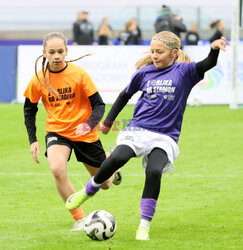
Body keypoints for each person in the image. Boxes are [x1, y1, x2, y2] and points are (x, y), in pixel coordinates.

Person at [65, 31, 226, 240]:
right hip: (138, 129)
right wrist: (107, 121)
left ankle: (144, 226)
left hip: (165, 136)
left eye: (160, 52)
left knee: (154, 172)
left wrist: (214, 49)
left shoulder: (185, 72)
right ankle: (88, 191)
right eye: (152, 51)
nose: (154, 55)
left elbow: (207, 64)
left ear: (174, 53)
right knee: (117, 158)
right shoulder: (144, 73)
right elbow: (124, 96)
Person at [23, 32, 121, 232]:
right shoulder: (38, 79)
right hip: (57, 132)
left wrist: (89, 124)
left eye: (60, 51)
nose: (57, 56)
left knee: (106, 185)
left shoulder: (79, 74)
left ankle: (110, 161)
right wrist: (33, 140)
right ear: (44, 53)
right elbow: (29, 110)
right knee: (57, 169)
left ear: (67, 51)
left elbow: (99, 105)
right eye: (52, 52)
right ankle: (80, 219)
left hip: (85, 133)